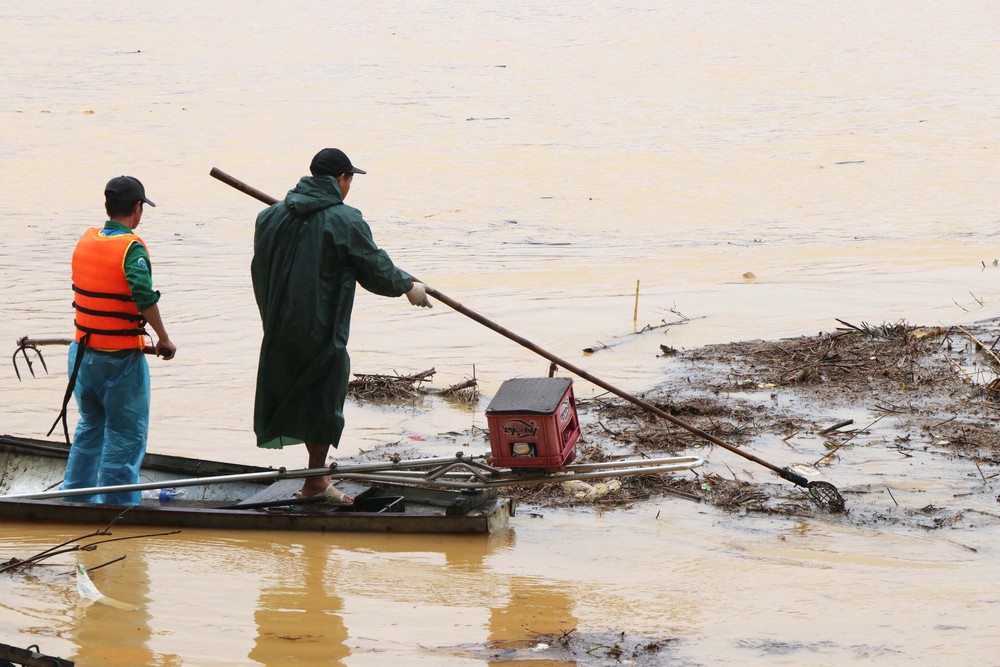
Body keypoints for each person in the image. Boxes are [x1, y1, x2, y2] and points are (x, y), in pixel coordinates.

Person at [251, 148, 432, 503]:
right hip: (320, 326)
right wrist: (408, 286)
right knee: (323, 398)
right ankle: (316, 480)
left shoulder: (269, 217)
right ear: (340, 180)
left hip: (277, 324)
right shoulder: (345, 219)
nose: (350, 186)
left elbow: (260, 269)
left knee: (293, 389)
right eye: (350, 179)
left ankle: (314, 477)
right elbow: (375, 269)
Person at [60, 175, 177, 505]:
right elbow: (143, 294)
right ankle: (116, 508)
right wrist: (164, 338)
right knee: (125, 436)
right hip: (119, 361)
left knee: (90, 427)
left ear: (107, 206)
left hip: (82, 355)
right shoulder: (131, 248)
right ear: (137, 209)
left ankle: (75, 498)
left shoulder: (86, 240)